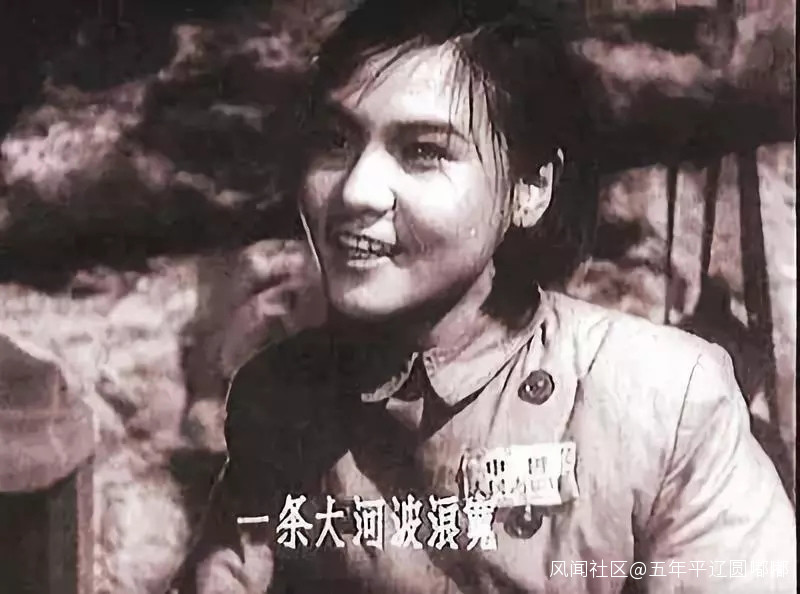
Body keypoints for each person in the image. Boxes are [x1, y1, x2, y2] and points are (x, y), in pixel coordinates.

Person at [171, 0, 796, 592]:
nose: (356, 191)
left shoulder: (664, 401)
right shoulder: (281, 402)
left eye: (423, 152)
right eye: (336, 141)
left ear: (531, 188)